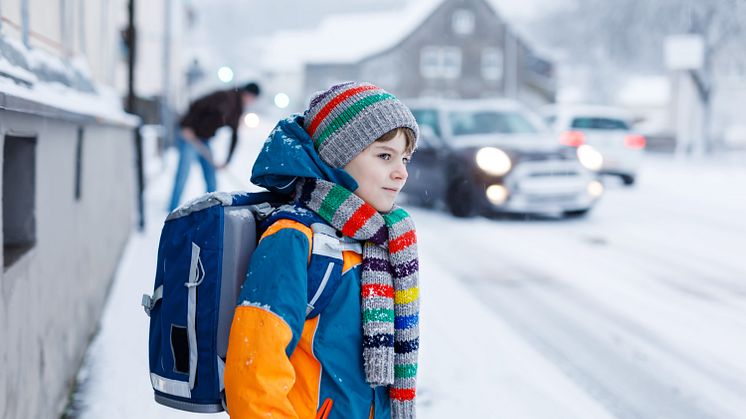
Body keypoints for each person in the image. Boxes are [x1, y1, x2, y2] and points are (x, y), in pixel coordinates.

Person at [224, 82, 420, 418]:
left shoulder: (381, 242)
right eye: (384, 155)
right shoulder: (294, 239)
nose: (401, 173)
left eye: (404, 157)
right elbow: (254, 377)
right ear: (337, 158)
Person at [168, 82, 261, 211]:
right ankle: (172, 208)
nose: (251, 102)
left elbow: (234, 136)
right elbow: (197, 104)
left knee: (211, 177)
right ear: (247, 94)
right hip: (190, 137)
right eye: (252, 98)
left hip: (205, 140)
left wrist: (226, 161)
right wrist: (186, 125)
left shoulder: (238, 109)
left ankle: (212, 208)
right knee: (183, 175)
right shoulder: (223, 97)